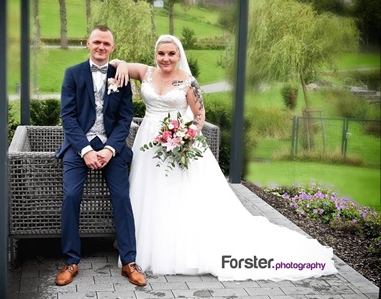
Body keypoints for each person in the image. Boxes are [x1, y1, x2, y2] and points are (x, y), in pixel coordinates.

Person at [109, 34, 338, 281]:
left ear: (179, 55)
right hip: (149, 143)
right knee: (149, 191)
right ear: (155, 54)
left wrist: (186, 136)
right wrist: (121, 64)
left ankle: (181, 250)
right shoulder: (146, 73)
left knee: (179, 194)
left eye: (171, 54)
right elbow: (114, 63)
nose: (166, 58)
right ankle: (145, 246)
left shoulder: (189, 82)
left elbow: (199, 116)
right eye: (161, 53)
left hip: (179, 143)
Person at [55, 25, 146, 287]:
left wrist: (109, 149)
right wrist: (85, 150)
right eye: (97, 42)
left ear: (113, 48)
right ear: (88, 43)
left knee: (121, 197)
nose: (101, 47)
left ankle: (129, 261)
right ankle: (71, 261)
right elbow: (68, 117)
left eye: (106, 44)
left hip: (111, 147)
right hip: (78, 147)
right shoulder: (72, 74)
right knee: (71, 195)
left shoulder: (121, 74)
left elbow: (125, 117)